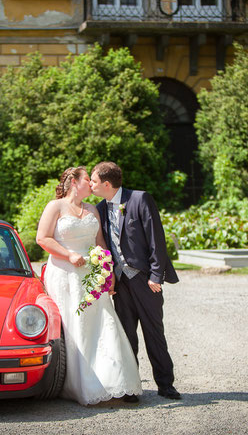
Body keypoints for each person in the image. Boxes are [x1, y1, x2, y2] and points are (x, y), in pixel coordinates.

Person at [36, 166, 142, 405]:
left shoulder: (92, 209)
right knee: (75, 326)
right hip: (65, 274)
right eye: (87, 179)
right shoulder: (55, 207)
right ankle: (78, 384)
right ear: (74, 182)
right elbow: (42, 238)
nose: (91, 184)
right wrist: (68, 255)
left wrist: (108, 272)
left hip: (92, 275)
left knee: (105, 322)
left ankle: (117, 382)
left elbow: (101, 243)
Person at [90, 161, 181, 400]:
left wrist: (155, 275)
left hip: (144, 280)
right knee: (126, 335)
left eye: (93, 181)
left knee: (154, 333)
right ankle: (131, 387)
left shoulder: (140, 200)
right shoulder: (99, 209)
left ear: (106, 183)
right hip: (120, 284)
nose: (91, 184)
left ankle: (165, 384)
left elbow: (156, 239)